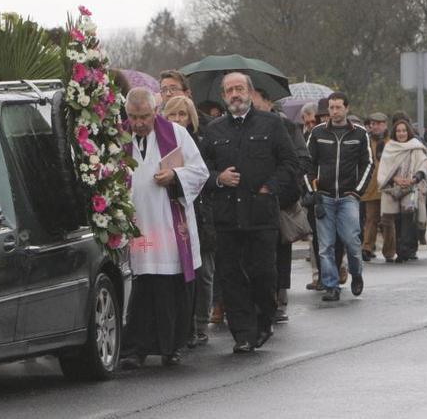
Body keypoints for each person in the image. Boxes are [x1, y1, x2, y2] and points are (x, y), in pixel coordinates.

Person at [200, 72, 298, 353]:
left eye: (239, 88)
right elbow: (200, 170)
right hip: (227, 217)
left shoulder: (272, 124)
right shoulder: (214, 130)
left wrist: (270, 186)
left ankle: (263, 323)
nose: (235, 94)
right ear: (223, 96)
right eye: (229, 90)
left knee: (263, 274)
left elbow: (290, 164)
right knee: (230, 277)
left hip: (261, 215)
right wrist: (218, 178)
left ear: (250, 92)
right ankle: (243, 333)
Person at [120, 88, 210, 368]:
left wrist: (175, 175)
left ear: (155, 111)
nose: (139, 123)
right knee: (141, 287)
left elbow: (200, 172)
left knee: (168, 286)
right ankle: (135, 348)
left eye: (144, 116)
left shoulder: (176, 135)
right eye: (133, 117)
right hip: (135, 225)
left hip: (168, 225)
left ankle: (171, 347)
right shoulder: (116, 138)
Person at [250, 86, 310, 324]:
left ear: (267, 102)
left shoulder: (285, 126)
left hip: (278, 200)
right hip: (250, 202)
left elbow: (302, 160)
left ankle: (279, 299)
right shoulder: (237, 126)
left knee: (279, 252)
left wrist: (281, 182)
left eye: (255, 102)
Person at [305, 92, 372, 302]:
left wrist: (357, 191)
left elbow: (368, 163)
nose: (334, 112)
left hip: (348, 197)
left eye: (338, 107)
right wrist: (312, 191)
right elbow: (307, 164)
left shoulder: (360, 134)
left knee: (352, 241)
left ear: (346, 108)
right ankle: (331, 285)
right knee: (325, 246)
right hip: (323, 196)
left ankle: (356, 273)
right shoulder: (317, 133)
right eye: (331, 108)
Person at [162, 96, 216, 348]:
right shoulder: (161, 142)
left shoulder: (203, 141)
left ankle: (200, 323)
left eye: (182, 114)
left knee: (203, 272)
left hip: (202, 213)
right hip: (172, 214)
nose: (177, 120)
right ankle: (183, 327)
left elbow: (209, 173)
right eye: (172, 115)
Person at [377, 119, 427, 263]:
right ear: (395, 132)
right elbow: (383, 169)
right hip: (392, 189)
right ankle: (393, 249)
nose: (401, 133)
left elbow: (423, 165)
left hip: (411, 187)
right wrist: (395, 178)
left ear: (408, 132)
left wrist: (413, 179)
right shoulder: (389, 147)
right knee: (393, 220)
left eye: (404, 131)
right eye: (399, 131)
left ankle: (404, 251)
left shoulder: (416, 146)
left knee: (408, 219)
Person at [361, 112, 397, 262]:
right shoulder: (367, 142)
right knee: (370, 219)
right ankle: (367, 248)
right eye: (373, 124)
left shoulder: (391, 143)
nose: (375, 126)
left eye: (379, 123)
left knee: (388, 221)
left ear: (385, 125)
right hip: (370, 186)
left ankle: (389, 251)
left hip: (388, 186)